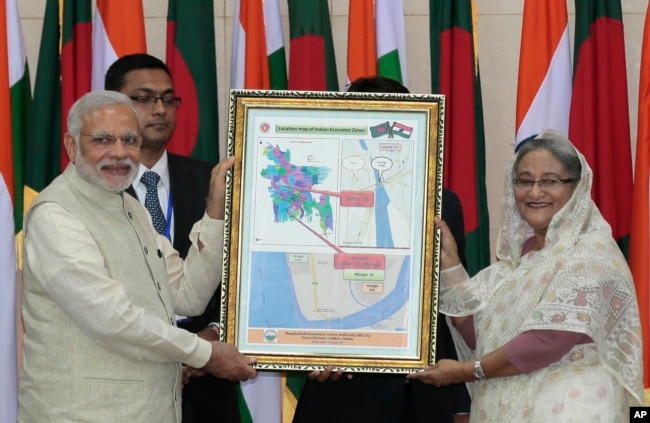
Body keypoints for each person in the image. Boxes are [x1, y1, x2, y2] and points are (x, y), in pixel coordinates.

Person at [18, 90, 256, 423]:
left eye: (130, 140)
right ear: (71, 146)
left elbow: (187, 296)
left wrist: (215, 212)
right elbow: (113, 320)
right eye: (102, 139)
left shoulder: (131, 208)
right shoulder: (56, 215)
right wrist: (206, 354)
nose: (119, 153)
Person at [408, 129, 644, 421]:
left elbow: (545, 341)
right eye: (524, 181)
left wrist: (465, 372)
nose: (534, 192)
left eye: (550, 181)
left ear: (577, 186)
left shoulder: (592, 253)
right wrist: (451, 264)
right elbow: (479, 332)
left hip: (569, 408)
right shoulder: (523, 258)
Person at [292, 75, 471, 423]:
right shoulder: (314, 204)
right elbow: (298, 291)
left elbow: (454, 305)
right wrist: (305, 352)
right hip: (339, 393)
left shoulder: (442, 204)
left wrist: (460, 401)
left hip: (421, 396)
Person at [105, 53, 240, 423]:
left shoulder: (215, 181)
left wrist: (212, 335)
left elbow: (242, 274)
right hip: (127, 384)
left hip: (209, 383)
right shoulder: (95, 193)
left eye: (168, 99)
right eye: (144, 98)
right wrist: (170, 351)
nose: (160, 109)